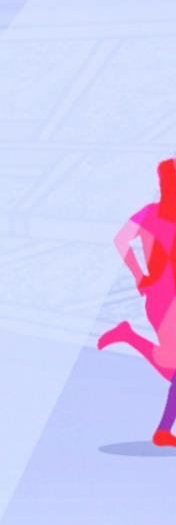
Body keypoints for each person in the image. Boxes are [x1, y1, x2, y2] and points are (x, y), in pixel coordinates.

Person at [97, 157, 176, 446]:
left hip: (162, 297)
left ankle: (128, 335)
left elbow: (121, 240)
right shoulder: (150, 214)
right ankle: (163, 430)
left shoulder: (151, 214)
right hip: (163, 299)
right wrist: (139, 274)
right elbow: (120, 240)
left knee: (172, 368)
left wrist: (140, 274)